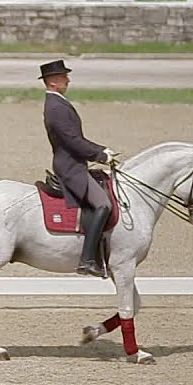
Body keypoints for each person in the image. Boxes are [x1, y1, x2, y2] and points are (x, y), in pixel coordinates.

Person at [40, 59, 121, 278]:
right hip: (70, 167)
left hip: (73, 162)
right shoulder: (56, 107)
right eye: (64, 76)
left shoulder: (58, 102)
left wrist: (102, 150)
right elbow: (72, 141)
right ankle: (87, 260)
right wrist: (100, 155)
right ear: (53, 81)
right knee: (103, 204)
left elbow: (77, 139)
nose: (68, 79)